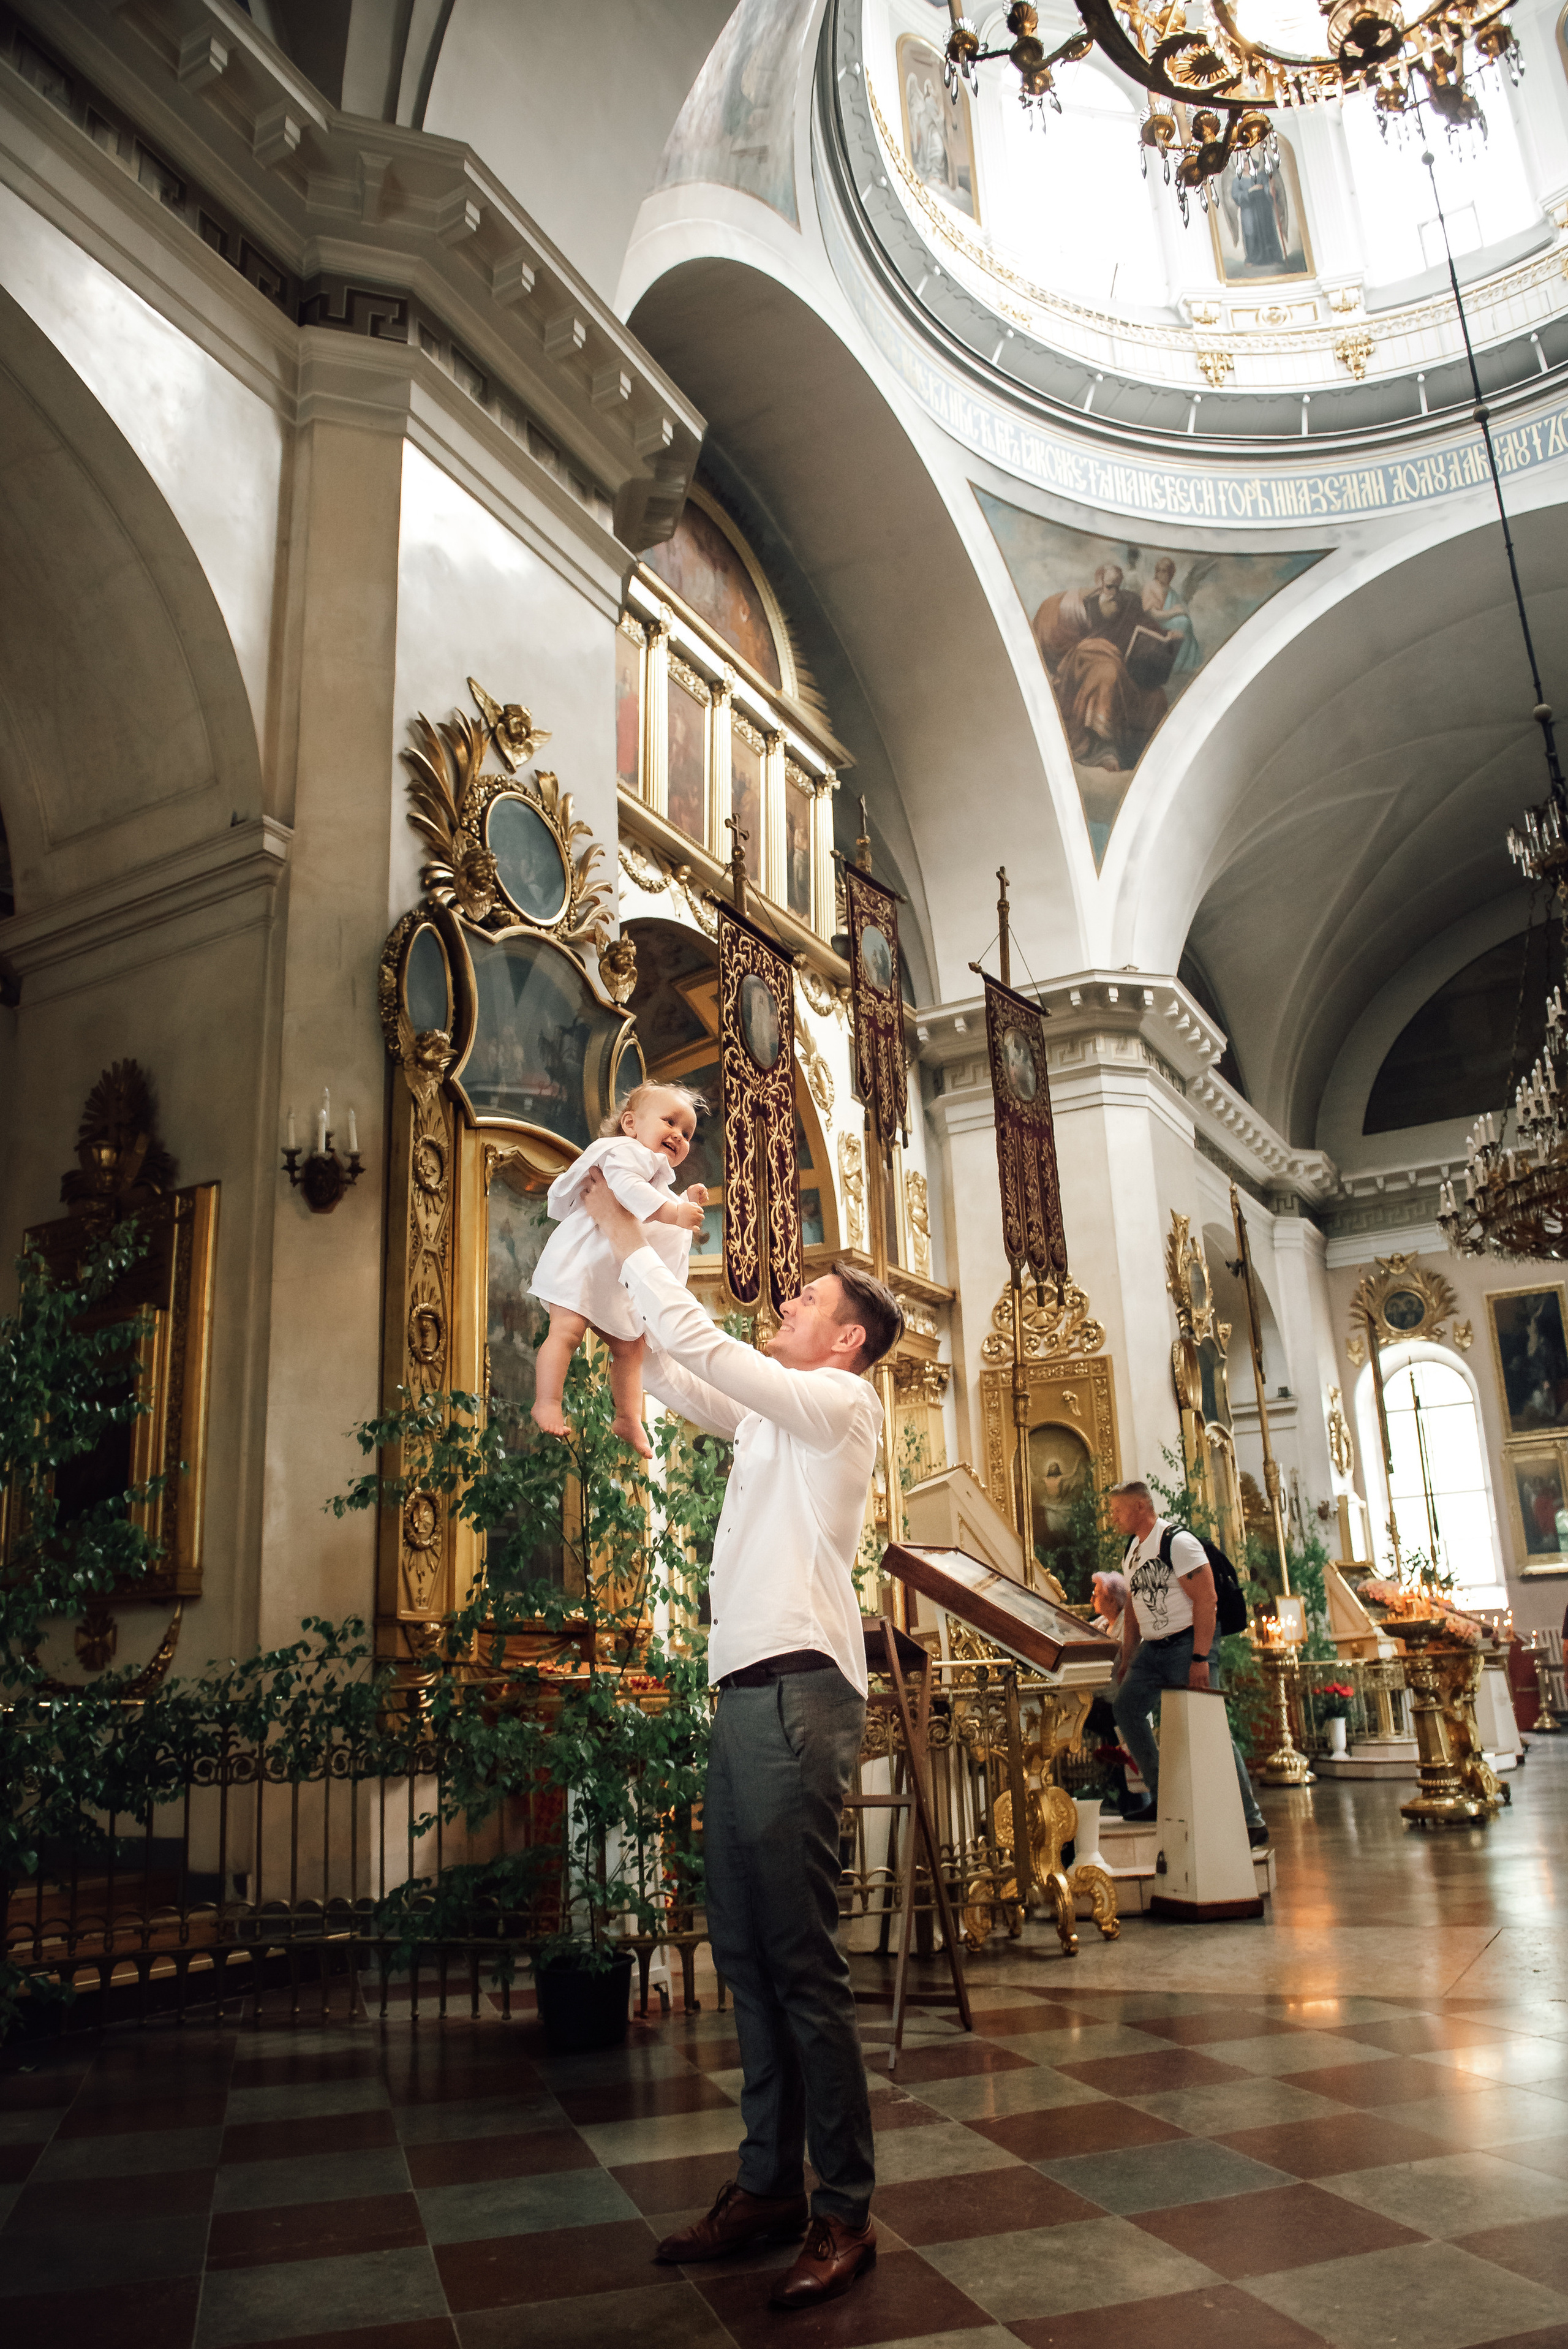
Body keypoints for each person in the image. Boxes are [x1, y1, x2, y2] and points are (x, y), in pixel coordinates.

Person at [578, 1165, 902, 2313]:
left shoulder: (844, 1406)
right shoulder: (777, 1421)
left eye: (806, 1301)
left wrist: (630, 1240)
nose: (786, 1307)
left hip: (802, 1689)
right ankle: (768, 2183)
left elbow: (712, 1351)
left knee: (803, 1958)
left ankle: (844, 2210)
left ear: (848, 1337)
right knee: (746, 1950)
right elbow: (675, 1366)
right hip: (741, 1689)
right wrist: (645, 1249)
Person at [529, 1084, 707, 1456]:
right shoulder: (624, 1153)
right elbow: (627, 1190)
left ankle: (629, 1417)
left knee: (631, 1349)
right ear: (630, 1124)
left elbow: (654, 1225)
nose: (679, 1134)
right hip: (582, 1262)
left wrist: (684, 1201)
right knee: (566, 1332)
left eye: (687, 1133)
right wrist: (675, 1212)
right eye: (670, 1122)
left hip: (613, 1275)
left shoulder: (657, 1173)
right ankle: (547, 1401)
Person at [1107, 1480, 1270, 1848]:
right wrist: (1128, 1656)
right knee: (1127, 1708)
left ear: (1140, 1507)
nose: (1113, 1518)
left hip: (1188, 1644)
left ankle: (1251, 1820)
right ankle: (1165, 1797)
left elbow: (1207, 1599)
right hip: (1153, 1649)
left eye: (1118, 1510)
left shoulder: (1177, 1543)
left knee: (1210, 1728)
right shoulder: (1132, 1551)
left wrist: (1200, 1658)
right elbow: (1133, 1608)